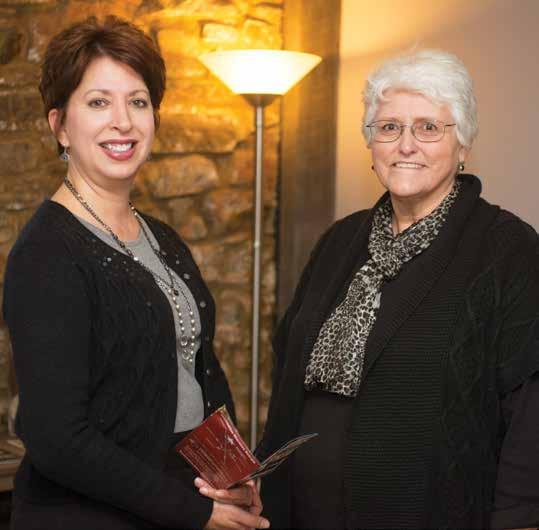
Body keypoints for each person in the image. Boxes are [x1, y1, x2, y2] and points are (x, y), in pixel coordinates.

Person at [3, 16, 269, 530]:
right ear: (60, 126)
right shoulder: (47, 253)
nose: (122, 121)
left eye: (138, 101)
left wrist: (234, 479)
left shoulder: (162, 238)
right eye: (98, 102)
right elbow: (57, 439)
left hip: (173, 503)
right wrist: (196, 512)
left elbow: (201, 371)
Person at [257, 49, 539, 529]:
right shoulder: (339, 240)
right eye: (389, 127)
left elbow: (530, 408)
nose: (406, 145)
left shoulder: (508, 248)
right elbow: (288, 370)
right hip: (302, 512)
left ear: (463, 144)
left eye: (428, 127)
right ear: (371, 142)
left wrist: (519, 521)